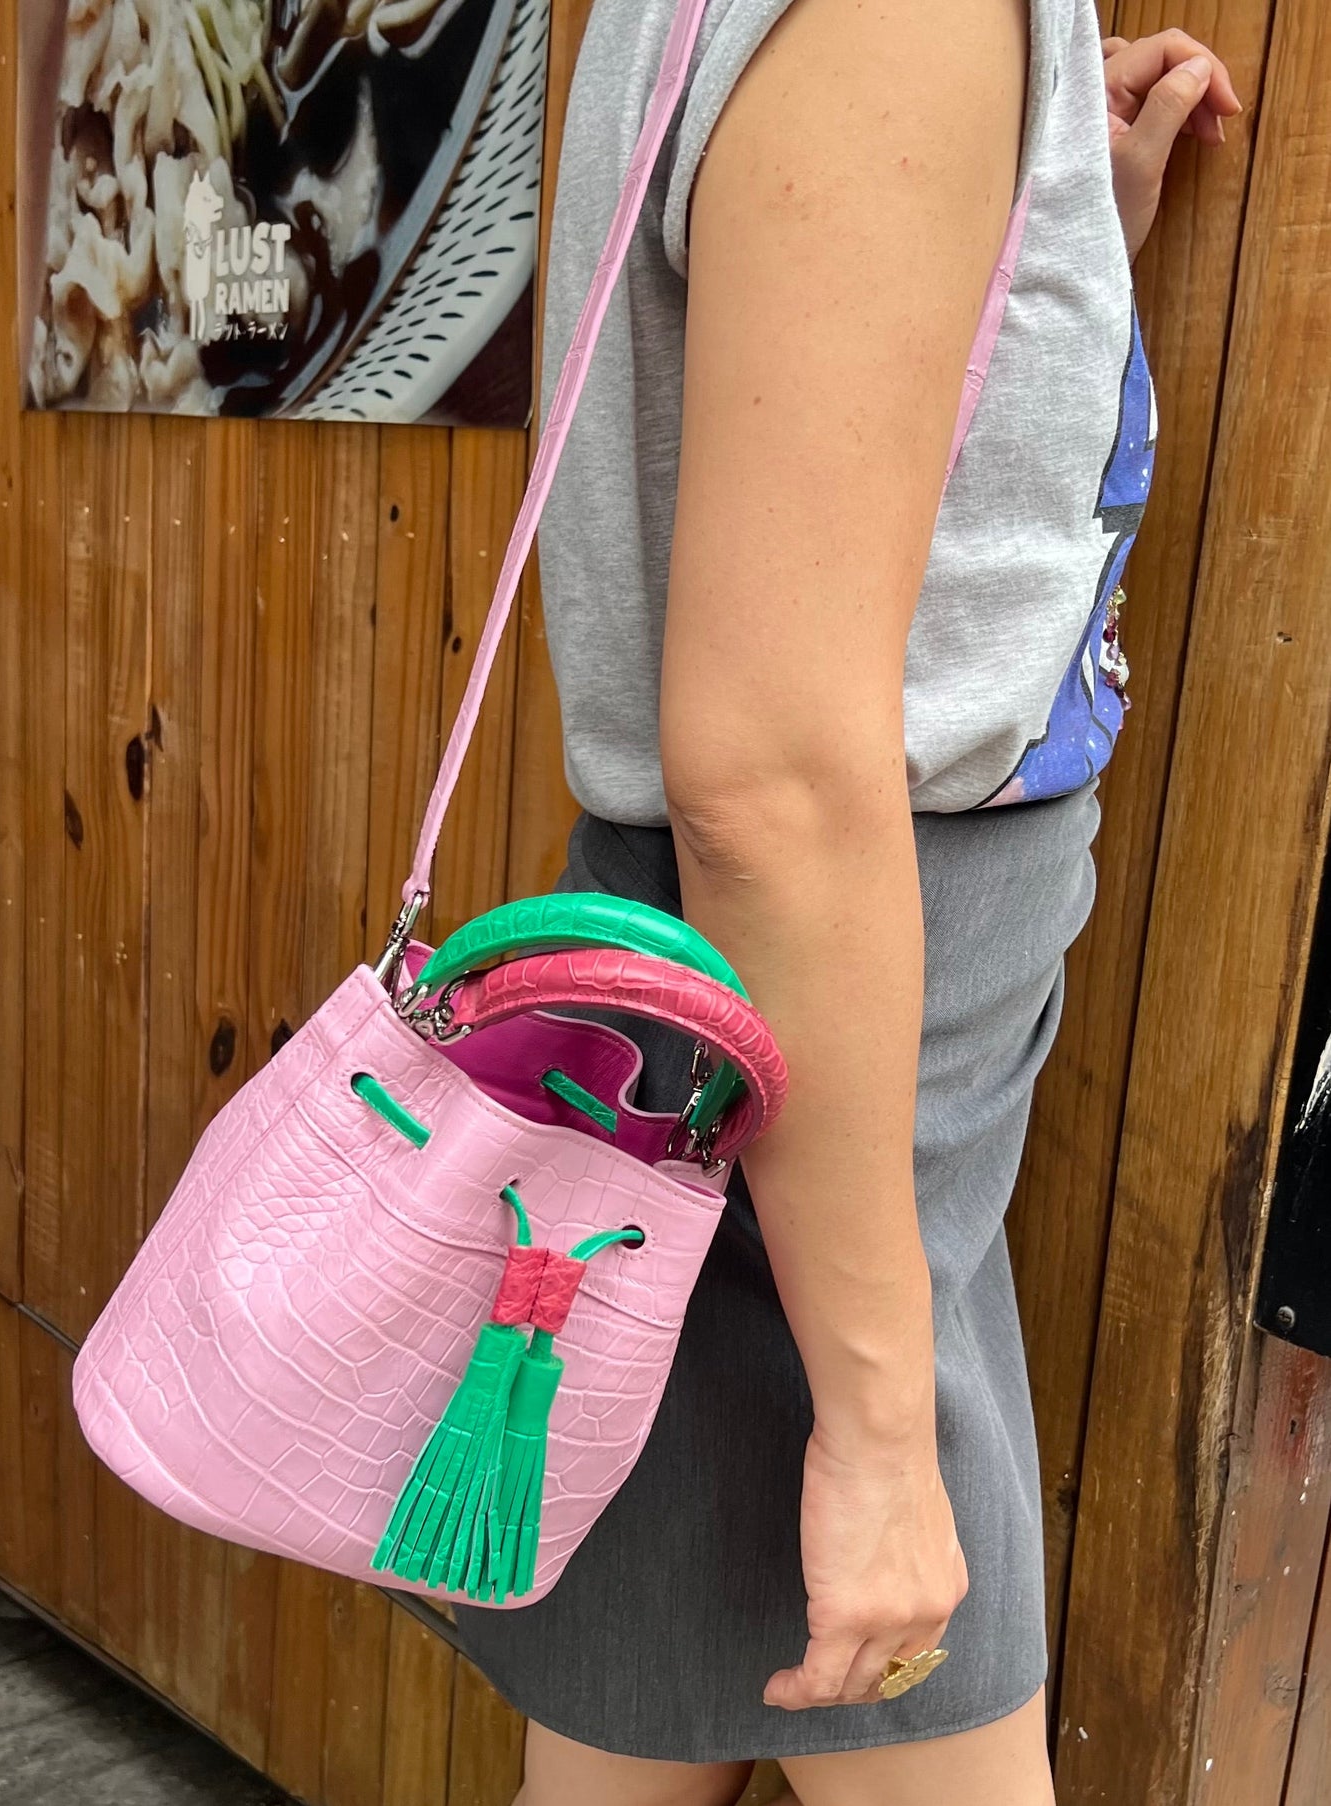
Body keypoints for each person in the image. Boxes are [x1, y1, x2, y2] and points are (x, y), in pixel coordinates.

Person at [451, 5, 1240, 1803]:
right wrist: (883, 1427)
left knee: (636, 1723)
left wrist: (1036, 231)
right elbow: (779, 783)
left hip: (763, 999)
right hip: (830, 1011)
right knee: (854, 1654)